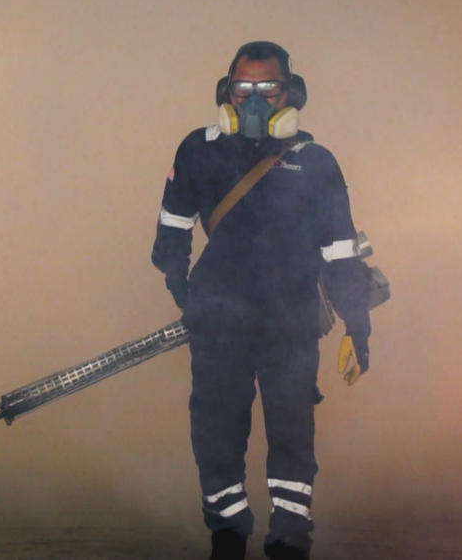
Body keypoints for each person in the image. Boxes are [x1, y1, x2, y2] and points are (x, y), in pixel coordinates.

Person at [150, 41, 376, 560]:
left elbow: (341, 251)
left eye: (267, 88)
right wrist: (180, 285)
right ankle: (227, 532)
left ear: (290, 92)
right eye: (243, 89)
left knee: (292, 430)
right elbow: (172, 226)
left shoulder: (316, 164)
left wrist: (357, 326)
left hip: (290, 321)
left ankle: (291, 537)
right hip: (218, 322)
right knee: (216, 428)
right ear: (226, 92)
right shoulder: (198, 150)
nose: (254, 101)